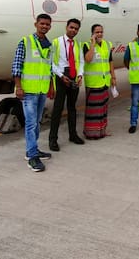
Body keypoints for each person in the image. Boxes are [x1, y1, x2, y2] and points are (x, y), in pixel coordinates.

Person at [12, 13, 55, 172]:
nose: (45, 26)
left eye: (47, 24)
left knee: (36, 122)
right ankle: (31, 156)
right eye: (42, 23)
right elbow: (17, 65)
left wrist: (51, 86)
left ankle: (33, 149)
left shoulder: (49, 45)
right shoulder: (26, 42)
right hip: (29, 90)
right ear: (36, 24)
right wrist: (19, 87)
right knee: (30, 123)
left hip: (42, 90)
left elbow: (49, 68)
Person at [49, 18, 85, 151]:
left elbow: (81, 61)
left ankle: (73, 135)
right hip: (61, 78)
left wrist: (80, 75)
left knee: (72, 108)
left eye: (76, 29)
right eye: (71, 27)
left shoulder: (77, 44)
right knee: (57, 110)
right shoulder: (56, 42)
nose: (73, 30)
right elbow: (51, 63)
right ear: (66, 27)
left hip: (73, 78)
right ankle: (53, 139)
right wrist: (61, 76)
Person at [82, 24, 115, 140]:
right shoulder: (86, 45)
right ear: (92, 34)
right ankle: (91, 133)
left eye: (101, 32)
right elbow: (88, 59)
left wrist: (113, 77)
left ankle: (102, 131)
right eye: (97, 32)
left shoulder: (107, 44)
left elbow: (110, 61)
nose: (100, 34)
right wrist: (92, 45)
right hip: (93, 83)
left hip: (105, 82)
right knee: (93, 110)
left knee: (103, 109)